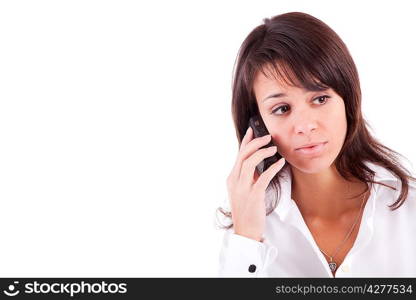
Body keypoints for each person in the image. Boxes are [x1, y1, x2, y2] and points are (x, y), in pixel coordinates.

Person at [216, 11, 416, 277]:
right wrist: (247, 237)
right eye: (282, 108)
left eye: (320, 99)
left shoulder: (407, 210)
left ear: (347, 99)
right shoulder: (247, 232)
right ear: (257, 124)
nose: (306, 125)